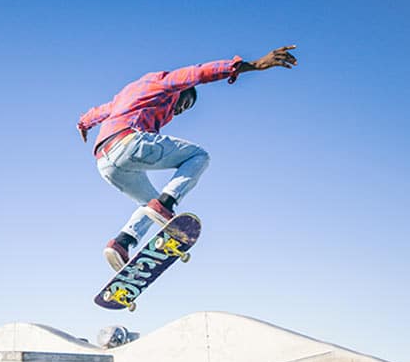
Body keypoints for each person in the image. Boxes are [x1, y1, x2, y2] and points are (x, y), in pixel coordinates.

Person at [77, 45, 298, 271]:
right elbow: (198, 73)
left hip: (105, 162)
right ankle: (166, 204)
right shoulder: (164, 82)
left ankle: (122, 243)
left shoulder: (125, 96)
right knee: (199, 156)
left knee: (147, 204)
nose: (181, 110)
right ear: (180, 91)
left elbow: (101, 111)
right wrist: (255, 65)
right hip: (128, 143)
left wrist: (83, 124)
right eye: (184, 103)